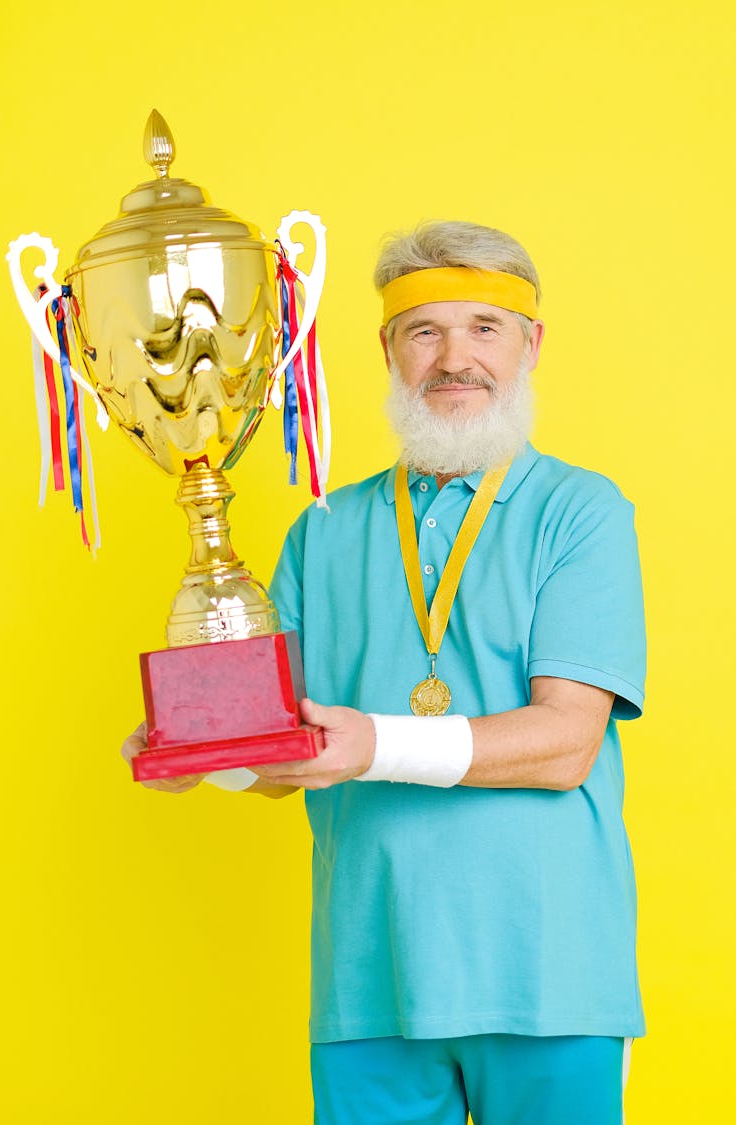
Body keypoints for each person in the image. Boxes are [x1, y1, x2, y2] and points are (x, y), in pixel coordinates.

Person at [122, 221, 646, 1125]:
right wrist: (208, 752)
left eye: (485, 326)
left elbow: (565, 743)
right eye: (424, 331)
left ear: (530, 344)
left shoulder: (580, 510)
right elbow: (286, 755)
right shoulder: (322, 529)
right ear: (388, 350)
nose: (455, 358)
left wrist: (371, 743)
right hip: (368, 981)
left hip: (549, 976)